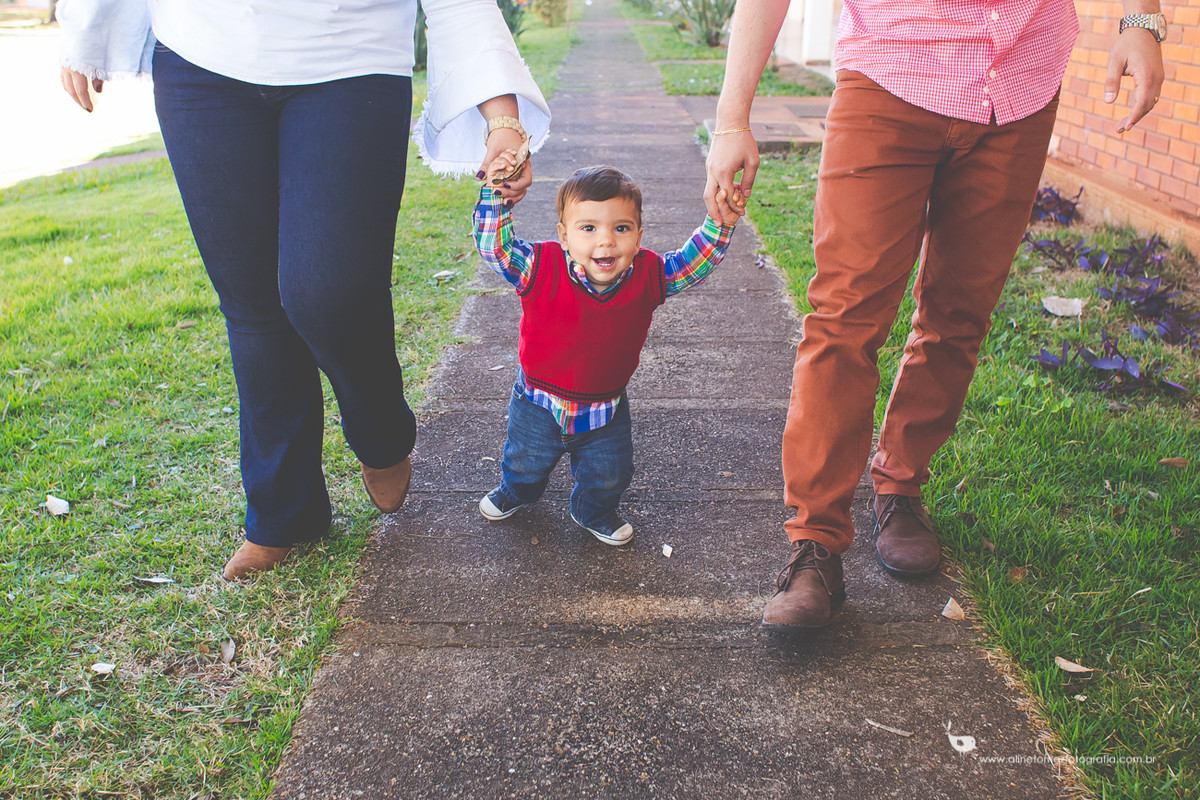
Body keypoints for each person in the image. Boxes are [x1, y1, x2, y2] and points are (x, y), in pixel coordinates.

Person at [704, 0, 1166, 629]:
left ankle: (900, 482)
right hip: (893, 75)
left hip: (1020, 85)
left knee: (959, 313)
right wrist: (733, 116)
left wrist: (1141, 19)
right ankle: (813, 545)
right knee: (845, 316)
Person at [57, 0, 551, 580]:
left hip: (351, 60)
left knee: (330, 289)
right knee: (252, 303)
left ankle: (381, 431)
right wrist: (86, 31)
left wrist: (502, 119)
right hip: (200, 57)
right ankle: (283, 515)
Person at [474, 161, 741, 545]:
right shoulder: (539, 267)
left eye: (621, 228)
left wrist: (722, 222)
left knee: (610, 473)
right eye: (588, 228)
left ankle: (592, 509)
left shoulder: (651, 275)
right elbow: (494, 248)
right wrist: (496, 196)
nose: (606, 241)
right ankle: (516, 491)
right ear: (564, 236)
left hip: (605, 408)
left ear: (638, 236)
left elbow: (693, 263)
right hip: (537, 403)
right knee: (524, 462)